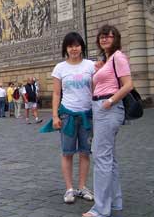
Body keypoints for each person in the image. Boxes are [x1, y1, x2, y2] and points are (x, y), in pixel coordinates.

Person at [83, 25, 133, 217]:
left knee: (101, 157)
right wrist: (100, 70)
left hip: (108, 107)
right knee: (109, 158)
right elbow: (99, 84)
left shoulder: (118, 57)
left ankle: (100, 209)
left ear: (116, 38)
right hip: (101, 108)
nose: (104, 39)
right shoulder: (108, 60)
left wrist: (111, 101)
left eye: (108, 36)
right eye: (102, 37)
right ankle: (116, 202)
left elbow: (128, 84)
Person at [45, 32, 95, 204]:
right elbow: (57, 93)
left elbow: (95, 91)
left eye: (77, 45)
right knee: (67, 153)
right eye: (70, 46)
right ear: (66, 48)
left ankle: (82, 187)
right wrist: (55, 116)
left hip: (87, 115)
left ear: (82, 46)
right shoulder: (60, 68)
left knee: (85, 153)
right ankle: (69, 189)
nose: (74, 49)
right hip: (67, 115)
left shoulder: (91, 65)